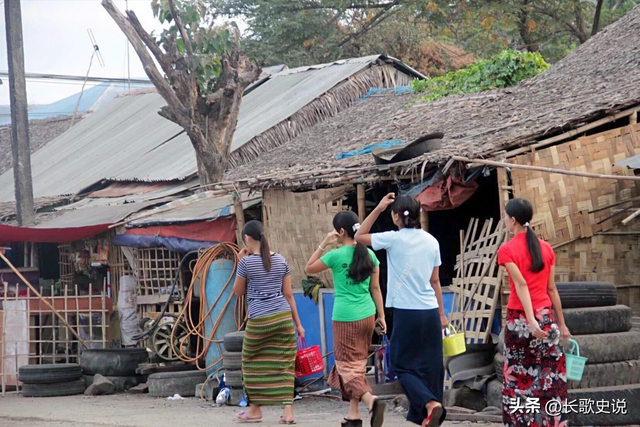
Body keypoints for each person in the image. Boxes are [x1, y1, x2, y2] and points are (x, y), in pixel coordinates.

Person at [356, 194, 448, 427]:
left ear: (396, 216)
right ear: (418, 215)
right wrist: (442, 315)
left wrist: (378, 207)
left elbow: (358, 235)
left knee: (400, 364)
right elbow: (435, 281)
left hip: (406, 314)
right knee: (430, 366)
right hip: (430, 312)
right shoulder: (431, 241)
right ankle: (427, 413)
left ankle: (430, 405)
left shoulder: (392, 239)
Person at [306, 211, 387, 427]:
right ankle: (354, 415)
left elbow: (309, 267)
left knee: (344, 366)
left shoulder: (336, 255)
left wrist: (325, 241)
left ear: (341, 232)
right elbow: (376, 288)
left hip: (344, 318)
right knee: (356, 366)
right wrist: (382, 316)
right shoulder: (370, 255)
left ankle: (371, 401)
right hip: (367, 315)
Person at [497, 198, 571, 427]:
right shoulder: (546, 248)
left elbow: (520, 286)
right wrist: (563, 324)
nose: (505, 220)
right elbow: (551, 289)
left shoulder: (506, 250)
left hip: (519, 322)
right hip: (548, 321)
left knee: (518, 380)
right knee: (553, 379)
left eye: (506, 217)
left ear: (513, 220)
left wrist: (530, 319)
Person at [232, 220, 305, 425]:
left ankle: (255, 410)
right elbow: (289, 295)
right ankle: (288, 413)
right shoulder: (281, 260)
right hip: (282, 317)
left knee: (251, 363)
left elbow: (238, 292)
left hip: (259, 319)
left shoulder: (246, 263)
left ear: (247, 238)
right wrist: (298, 325)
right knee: (284, 364)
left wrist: (239, 261)